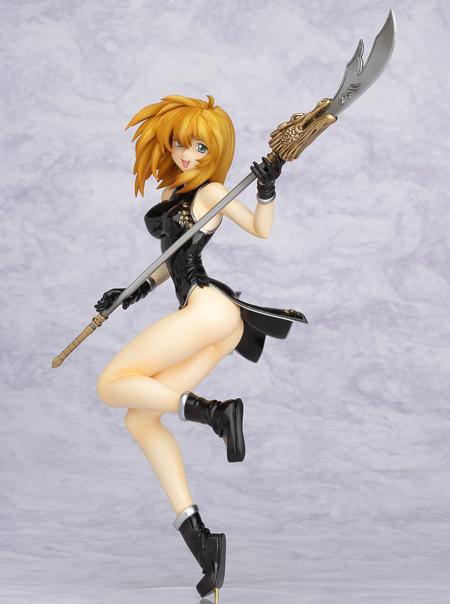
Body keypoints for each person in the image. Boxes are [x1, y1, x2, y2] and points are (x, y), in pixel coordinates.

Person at [94, 94, 307, 597]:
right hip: (216, 321)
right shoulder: (181, 196)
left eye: (199, 147)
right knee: (139, 418)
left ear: (216, 151)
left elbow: (261, 230)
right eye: (180, 144)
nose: (186, 155)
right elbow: (173, 259)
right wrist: (132, 291)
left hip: (209, 308)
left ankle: (215, 413)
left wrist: (268, 187)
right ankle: (201, 541)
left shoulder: (211, 191)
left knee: (111, 384)